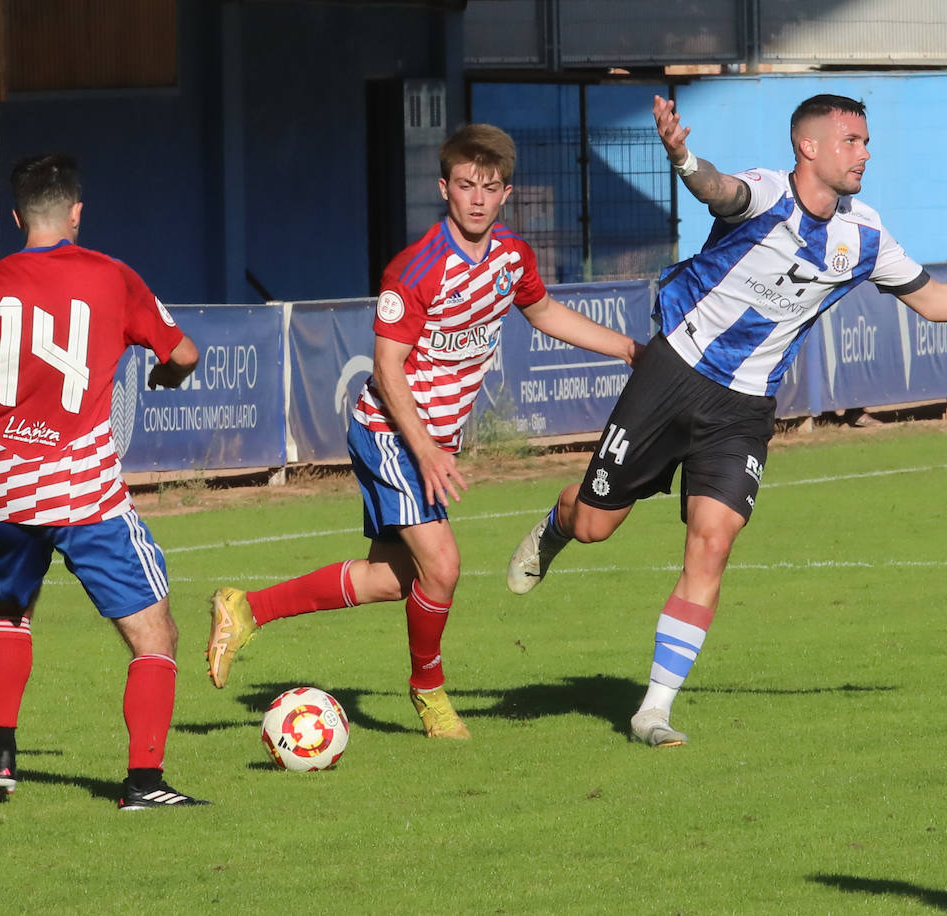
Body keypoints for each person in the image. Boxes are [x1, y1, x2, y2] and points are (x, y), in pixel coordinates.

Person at [506, 93, 947, 748]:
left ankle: (653, 709)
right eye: (851, 140)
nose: (865, 153)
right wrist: (682, 159)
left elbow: (933, 300)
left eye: (866, 141)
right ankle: (556, 526)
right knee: (596, 525)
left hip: (743, 408)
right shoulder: (766, 196)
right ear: (810, 147)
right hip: (672, 373)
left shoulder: (865, 235)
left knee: (713, 540)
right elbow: (720, 189)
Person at [206, 124, 642, 739]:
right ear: (444, 188)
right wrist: (428, 450)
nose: (477, 199)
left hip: (432, 443)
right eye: (466, 185)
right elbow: (386, 371)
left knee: (395, 577)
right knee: (443, 566)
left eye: (490, 188)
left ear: (506, 194)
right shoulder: (413, 271)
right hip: (392, 432)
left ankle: (247, 609)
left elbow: (542, 311)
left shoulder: (512, 258)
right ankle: (429, 694)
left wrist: (626, 348)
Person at [0, 153, 206, 809]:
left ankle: (2, 758)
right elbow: (183, 354)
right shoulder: (112, 278)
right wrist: (166, 375)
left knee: (13, 611)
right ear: (75, 213)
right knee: (156, 636)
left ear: (16, 217)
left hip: (9, 482)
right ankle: (144, 784)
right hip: (82, 484)